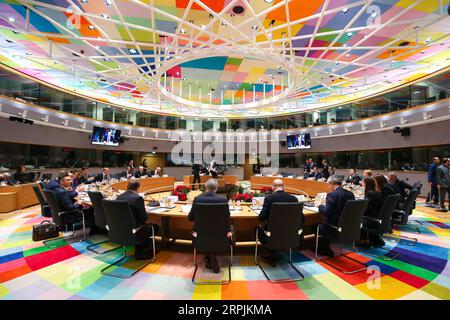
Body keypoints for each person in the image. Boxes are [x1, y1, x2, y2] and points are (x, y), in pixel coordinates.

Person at [188, 179, 229, 273]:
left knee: (205, 230)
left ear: (205, 187)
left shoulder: (198, 199)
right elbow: (227, 218)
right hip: (221, 238)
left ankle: (209, 256)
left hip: (200, 237)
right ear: (216, 188)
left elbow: (190, 218)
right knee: (213, 231)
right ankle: (211, 256)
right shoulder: (223, 200)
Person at [258, 179, 298, 265]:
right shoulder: (294, 199)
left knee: (257, 229)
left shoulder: (269, 198)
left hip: (272, 234)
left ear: (273, 187)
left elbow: (261, 217)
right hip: (289, 233)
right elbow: (300, 218)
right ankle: (277, 251)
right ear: (283, 187)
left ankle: (272, 252)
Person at [117, 181, 160, 259]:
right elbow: (144, 218)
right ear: (137, 188)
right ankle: (140, 250)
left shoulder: (119, 197)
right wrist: (147, 211)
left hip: (122, 229)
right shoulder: (138, 198)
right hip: (135, 230)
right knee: (155, 227)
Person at [314, 176, 355, 257]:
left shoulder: (332, 195)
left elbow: (326, 212)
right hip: (347, 226)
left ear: (332, 183)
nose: (329, 187)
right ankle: (324, 246)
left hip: (334, 227)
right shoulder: (350, 194)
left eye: (329, 185)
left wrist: (319, 205)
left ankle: (324, 248)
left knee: (315, 226)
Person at [357, 177, 385, 248]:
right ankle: (372, 238)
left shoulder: (370, 194)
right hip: (378, 219)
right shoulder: (377, 193)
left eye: (363, 182)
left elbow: (366, 210)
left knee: (355, 218)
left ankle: (363, 240)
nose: (361, 184)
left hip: (371, 220)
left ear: (366, 184)